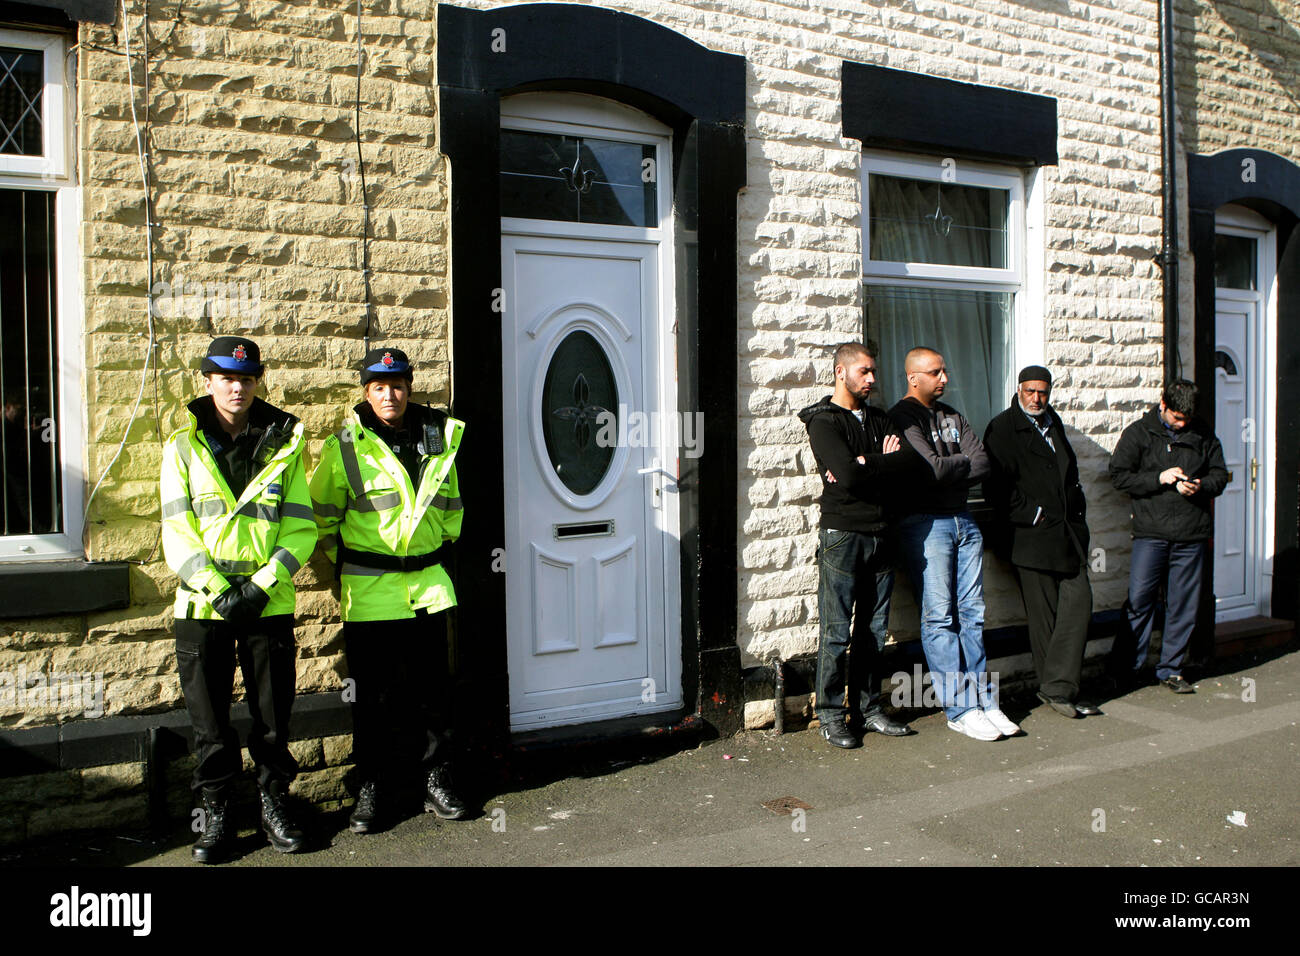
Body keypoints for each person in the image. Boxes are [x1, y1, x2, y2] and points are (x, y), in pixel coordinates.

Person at [160, 336, 318, 863]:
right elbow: (177, 532)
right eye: (227, 377)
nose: (238, 387)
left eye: (247, 378)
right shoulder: (182, 448)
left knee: (273, 719)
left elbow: (301, 532)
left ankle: (274, 805)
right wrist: (219, 591)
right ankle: (217, 815)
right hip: (203, 607)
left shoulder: (285, 444)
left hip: (266, 604)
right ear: (207, 382)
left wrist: (259, 586)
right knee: (210, 724)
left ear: (257, 383)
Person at [310, 347, 468, 834]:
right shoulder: (344, 446)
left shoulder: (437, 439)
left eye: (397, 385)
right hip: (370, 591)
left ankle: (436, 779)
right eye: (379, 386)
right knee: (372, 699)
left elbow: (451, 512)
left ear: (409, 388)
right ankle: (372, 787)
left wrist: (427, 550)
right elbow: (321, 519)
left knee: (433, 695)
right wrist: (352, 568)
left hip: (428, 588)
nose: (389, 395)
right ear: (366, 392)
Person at [888, 347, 1019, 741]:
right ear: (913, 377)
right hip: (927, 526)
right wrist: (955, 463)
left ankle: (985, 701)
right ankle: (959, 709)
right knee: (940, 617)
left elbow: (983, 463)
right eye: (934, 372)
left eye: (944, 370)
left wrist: (951, 465)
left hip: (965, 521)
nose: (944, 378)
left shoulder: (953, 415)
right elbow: (930, 469)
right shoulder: (901, 418)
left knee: (973, 614)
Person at [798, 343, 913, 749]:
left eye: (873, 372)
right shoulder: (823, 422)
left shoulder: (881, 418)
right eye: (864, 372)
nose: (872, 379)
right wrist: (868, 463)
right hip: (844, 534)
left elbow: (908, 467)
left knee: (874, 629)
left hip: (882, 531)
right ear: (840, 372)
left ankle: (868, 708)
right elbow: (847, 476)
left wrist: (867, 464)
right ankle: (831, 714)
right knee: (835, 631)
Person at [983, 366, 1101, 719]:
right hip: (1030, 538)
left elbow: (1068, 474)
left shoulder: (1053, 422)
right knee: (1043, 617)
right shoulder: (1003, 428)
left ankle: (1058, 686)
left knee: (1078, 602)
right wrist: (1033, 515)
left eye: (1043, 392)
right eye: (1031, 391)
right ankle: (1058, 690)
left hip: (1066, 536)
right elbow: (995, 488)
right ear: (1018, 389)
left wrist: (1075, 509)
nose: (1037, 399)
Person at [1107, 379, 1229, 693]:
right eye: (1176, 417)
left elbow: (1219, 474)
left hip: (1191, 534)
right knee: (1139, 602)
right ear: (1163, 405)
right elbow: (1119, 475)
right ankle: (1126, 670)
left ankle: (1171, 670)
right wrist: (1160, 478)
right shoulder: (1139, 432)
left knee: (1183, 605)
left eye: (1186, 419)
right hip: (1151, 533)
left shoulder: (1202, 433)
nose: (1182, 423)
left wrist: (1200, 485)